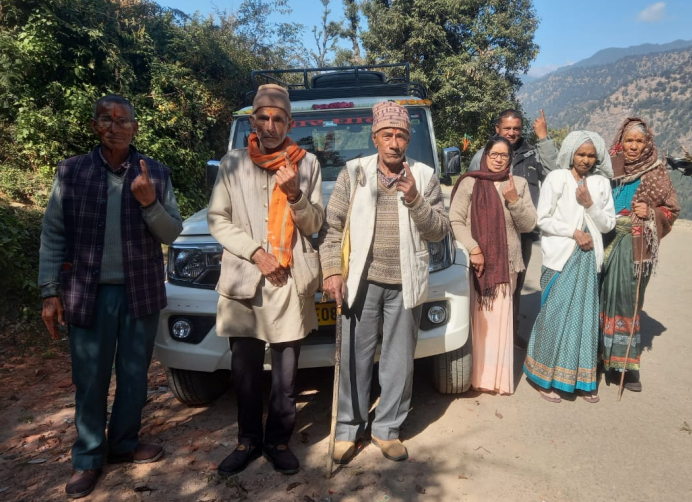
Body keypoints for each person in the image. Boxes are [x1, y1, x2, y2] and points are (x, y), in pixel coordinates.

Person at [38, 95, 183, 499]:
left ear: (135, 128)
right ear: (94, 125)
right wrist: (50, 292)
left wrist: (149, 202)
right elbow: (53, 234)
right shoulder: (71, 172)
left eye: (123, 120)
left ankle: (123, 445)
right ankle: (87, 458)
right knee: (90, 379)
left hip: (141, 291)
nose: (114, 126)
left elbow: (172, 233)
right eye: (106, 119)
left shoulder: (155, 172)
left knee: (135, 376)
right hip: (87, 293)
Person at [319, 101, 450, 465]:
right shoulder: (353, 172)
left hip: (406, 282)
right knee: (353, 359)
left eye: (401, 135)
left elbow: (439, 230)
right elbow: (332, 228)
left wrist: (413, 197)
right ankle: (348, 428)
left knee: (399, 361)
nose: (394, 142)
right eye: (387, 134)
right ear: (374, 137)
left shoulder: (423, 177)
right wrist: (332, 271)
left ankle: (387, 429)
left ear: (408, 139)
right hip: (360, 282)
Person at [208, 84, 324, 476]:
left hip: (288, 282)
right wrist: (257, 254)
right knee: (244, 374)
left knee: (286, 377)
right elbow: (217, 219)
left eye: (278, 118)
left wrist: (295, 196)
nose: (270, 124)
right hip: (244, 280)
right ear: (252, 121)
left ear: (290, 123)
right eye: (263, 117)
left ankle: (277, 441)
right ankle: (248, 441)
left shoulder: (306, 164)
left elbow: (314, 225)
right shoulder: (232, 163)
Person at [523, 131, 616, 403]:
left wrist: (590, 206)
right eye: (581, 154)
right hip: (561, 256)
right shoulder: (557, 178)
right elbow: (543, 219)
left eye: (590, 155)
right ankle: (542, 376)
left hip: (589, 259)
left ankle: (581, 380)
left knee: (585, 318)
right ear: (570, 154)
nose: (585, 160)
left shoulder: (600, 183)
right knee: (555, 314)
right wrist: (574, 232)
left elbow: (608, 223)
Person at [450, 136, 537, 395]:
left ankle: (495, 378)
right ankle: (475, 375)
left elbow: (529, 225)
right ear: (485, 155)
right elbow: (455, 220)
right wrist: (474, 249)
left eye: (504, 155)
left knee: (498, 322)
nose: (499, 159)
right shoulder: (469, 182)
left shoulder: (517, 184)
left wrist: (514, 200)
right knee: (476, 322)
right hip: (474, 264)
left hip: (505, 264)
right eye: (494, 154)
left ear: (510, 159)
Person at [600, 117, 679, 392]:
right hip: (603, 237)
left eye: (639, 141)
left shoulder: (656, 172)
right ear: (621, 140)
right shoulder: (606, 165)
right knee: (598, 296)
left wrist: (652, 214)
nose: (633, 146)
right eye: (629, 140)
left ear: (648, 143)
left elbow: (672, 210)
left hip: (634, 243)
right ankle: (598, 356)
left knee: (626, 300)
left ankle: (624, 365)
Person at [469, 109, 558, 345]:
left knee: (514, 284)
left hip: (522, 232)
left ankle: (509, 331)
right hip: (487, 231)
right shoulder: (483, 154)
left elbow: (555, 175)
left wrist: (544, 139)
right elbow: (471, 192)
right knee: (484, 281)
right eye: (506, 128)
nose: (511, 132)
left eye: (516, 128)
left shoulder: (533, 153)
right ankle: (481, 334)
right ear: (497, 128)